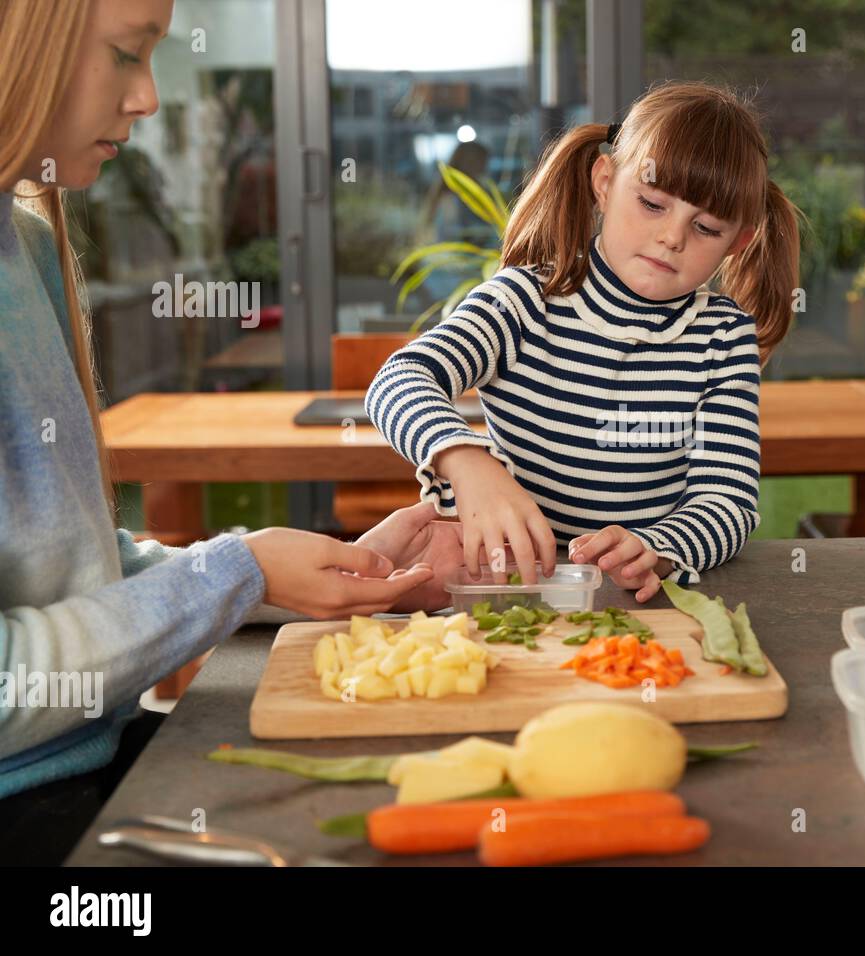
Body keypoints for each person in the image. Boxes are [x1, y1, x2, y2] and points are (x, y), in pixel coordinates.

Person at [0, 0, 462, 860]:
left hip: (94, 762)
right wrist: (237, 572)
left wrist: (301, 572)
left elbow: (73, 576)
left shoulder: (25, 245)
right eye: (126, 55)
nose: (148, 99)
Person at [366, 80, 803, 602]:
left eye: (706, 227)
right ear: (604, 182)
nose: (673, 237)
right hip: (506, 594)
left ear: (740, 241)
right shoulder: (522, 301)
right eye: (652, 204)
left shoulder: (722, 339)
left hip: (635, 609)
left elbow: (727, 500)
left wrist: (657, 546)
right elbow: (398, 379)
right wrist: (465, 460)